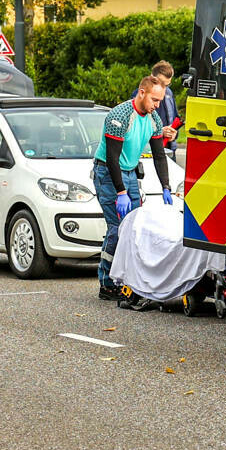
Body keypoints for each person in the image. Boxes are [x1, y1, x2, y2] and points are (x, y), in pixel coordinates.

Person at [93, 75, 172, 299]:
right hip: (108, 173)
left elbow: (159, 156)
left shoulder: (154, 119)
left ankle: (129, 280)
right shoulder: (119, 116)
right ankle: (107, 283)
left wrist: (165, 186)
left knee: (134, 228)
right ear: (141, 93)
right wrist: (121, 192)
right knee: (118, 229)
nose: (157, 105)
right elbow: (111, 158)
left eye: (160, 101)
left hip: (129, 172)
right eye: (154, 100)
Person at [150, 61, 183, 149]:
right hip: (150, 150)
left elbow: (175, 118)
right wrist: (159, 132)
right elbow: (136, 128)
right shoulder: (141, 94)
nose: (164, 89)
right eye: (162, 84)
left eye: (167, 85)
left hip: (169, 148)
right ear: (152, 77)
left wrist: (174, 134)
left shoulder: (169, 93)